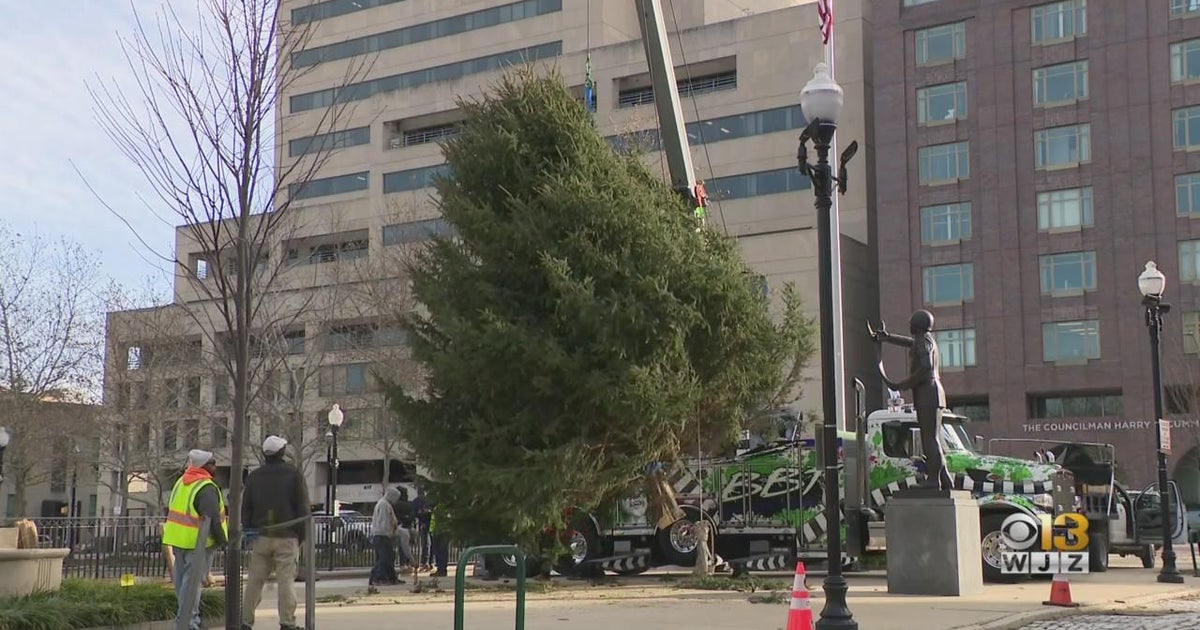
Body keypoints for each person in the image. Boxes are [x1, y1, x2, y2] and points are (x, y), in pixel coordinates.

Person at [240, 435, 309, 630]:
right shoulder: (294, 474)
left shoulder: (253, 477)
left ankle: (245, 621)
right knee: (285, 581)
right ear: (282, 452)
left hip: (261, 535)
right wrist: (300, 536)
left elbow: (246, 508)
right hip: (287, 535)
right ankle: (287, 622)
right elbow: (303, 508)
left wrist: (249, 530)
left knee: (254, 581)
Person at [163, 449, 227, 630]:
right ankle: (188, 623)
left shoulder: (181, 483)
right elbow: (212, 518)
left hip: (178, 540)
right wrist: (223, 541)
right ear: (204, 466)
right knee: (192, 586)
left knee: (183, 583)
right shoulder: (206, 487)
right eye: (212, 463)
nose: (215, 466)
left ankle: (185, 620)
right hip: (198, 544)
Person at [369, 487, 403, 586]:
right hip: (383, 535)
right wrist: (391, 533)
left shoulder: (383, 504)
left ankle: (391, 577)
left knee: (387, 558)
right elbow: (384, 522)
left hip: (380, 535)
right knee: (385, 558)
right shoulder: (384, 505)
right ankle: (378, 578)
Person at [411, 487, 433, 572]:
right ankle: (426, 562)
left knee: (427, 544)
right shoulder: (419, 501)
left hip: (427, 523)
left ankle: (428, 562)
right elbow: (414, 513)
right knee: (426, 543)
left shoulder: (423, 501)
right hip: (424, 523)